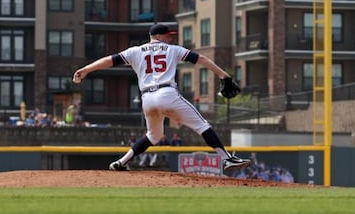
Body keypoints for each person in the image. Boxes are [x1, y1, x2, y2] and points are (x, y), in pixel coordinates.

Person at [72, 22, 250, 172]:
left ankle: (121, 162)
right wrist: (224, 75)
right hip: (167, 93)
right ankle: (227, 159)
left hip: (147, 99)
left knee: (154, 136)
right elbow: (201, 58)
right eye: (168, 35)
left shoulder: (135, 51)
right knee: (202, 125)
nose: (170, 38)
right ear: (158, 36)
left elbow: (109, 60)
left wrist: (86, 69)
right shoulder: (172, 49)